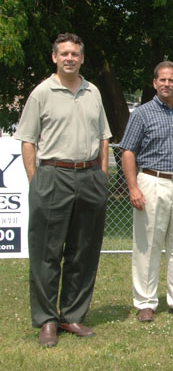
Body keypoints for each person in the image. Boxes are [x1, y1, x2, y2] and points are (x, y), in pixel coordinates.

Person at [14, 33, 111, 347]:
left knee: (83, 251)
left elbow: (104, 137)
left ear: (82, 58)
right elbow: (28, 140)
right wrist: (36, 181)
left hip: (89, 176)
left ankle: (72, 316)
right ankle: (46, 321)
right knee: (47, 253)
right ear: (54, 57)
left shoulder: (92, 91)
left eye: (75, 54)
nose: (70, 58)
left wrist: (102, 176)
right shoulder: (42, 92)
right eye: (64, 53)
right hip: (53, 176)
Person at [120, 61, 173, 323]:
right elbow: (128, 151)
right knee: (148, 245)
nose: (166, 84)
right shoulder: (142, 114)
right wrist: (133, 186)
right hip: (151, 182)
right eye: (162, 80)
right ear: (154, 83)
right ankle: (146, 302)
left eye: (172, 80)